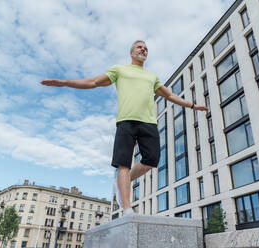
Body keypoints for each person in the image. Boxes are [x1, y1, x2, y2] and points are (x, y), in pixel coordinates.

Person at [40, 40, 208, 216]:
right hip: (126, 121)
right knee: (123, 164)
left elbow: (170, 95)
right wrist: (65, 82)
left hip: (148, 122)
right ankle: (127, 208)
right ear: (131, 53)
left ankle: (122, 183)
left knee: (152, 159)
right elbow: (93, 82)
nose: (143, 49)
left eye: (146, 48)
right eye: (139, 47)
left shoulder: (152, 77)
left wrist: (192, 105)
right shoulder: (119, 70)